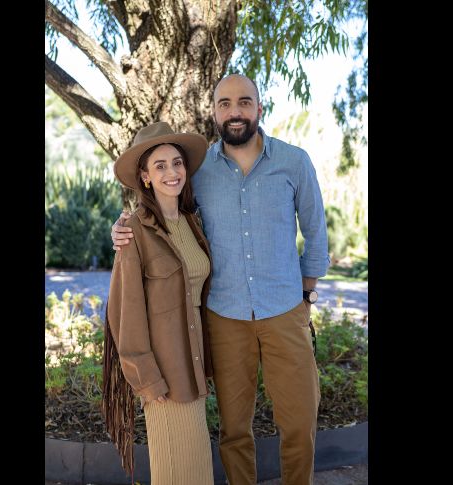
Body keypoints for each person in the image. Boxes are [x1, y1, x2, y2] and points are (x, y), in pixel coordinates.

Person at [112, 74, 330, 484]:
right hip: (225, 318)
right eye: (225, 104)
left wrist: (306, 297)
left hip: (286, 311)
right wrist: (120, 227)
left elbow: (316, 235)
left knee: (300, 423)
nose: (235, 111)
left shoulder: (294, 162)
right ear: (214, 112)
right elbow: (159, 209)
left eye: (244, 102)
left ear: (259, 108)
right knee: (234, 431)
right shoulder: (198, 171)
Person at [101, 121, 215, 485]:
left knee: (198, 472)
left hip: (194, 367)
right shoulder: (133, 231)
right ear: (145, 177)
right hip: (164, 379)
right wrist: (147, 381)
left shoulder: (192, 222)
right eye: (160, 165)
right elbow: (124, 313)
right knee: (173, 473)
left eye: (177, 163)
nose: (172, 171)